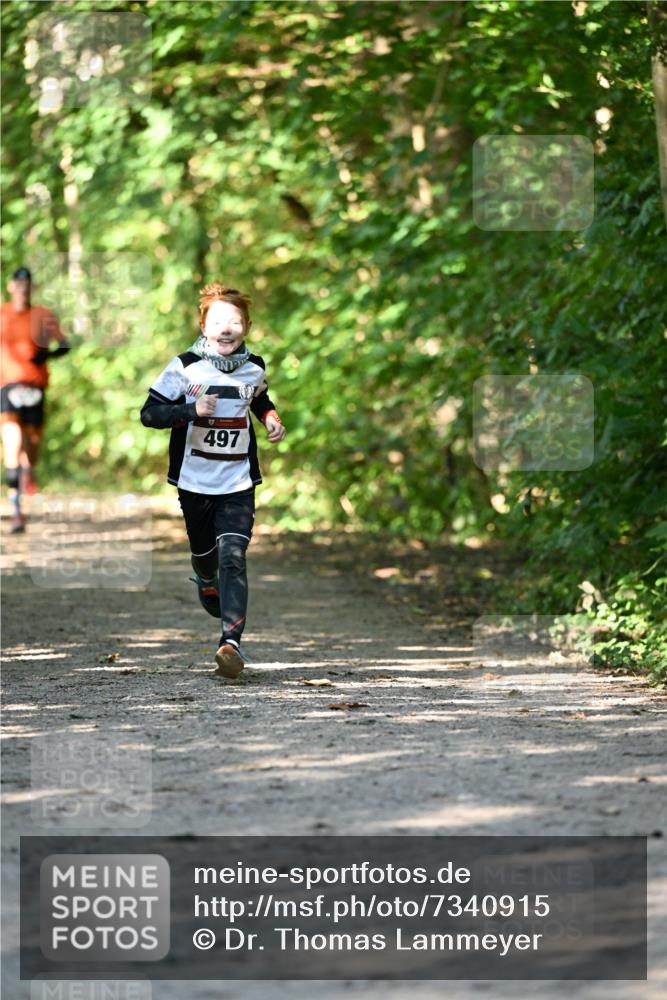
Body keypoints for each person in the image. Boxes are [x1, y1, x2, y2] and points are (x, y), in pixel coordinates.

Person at [140, 282, 286, 679]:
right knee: (207, 555)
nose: (226, 329)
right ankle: (204, 576)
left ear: (247, 327)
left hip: (237, 480)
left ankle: (230, 645)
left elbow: (257, 397)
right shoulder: (184, 367)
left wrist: (270, 418)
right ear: (203, 325)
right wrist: (189, 410)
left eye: (235, 322)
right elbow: (149, 414)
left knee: (234, 556)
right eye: (217, 321)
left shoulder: (255, 365)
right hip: (195, 481)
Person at [1, 266, 71, 533]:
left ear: (32, 288)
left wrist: (46, 356)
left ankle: (28, 471)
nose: (22, 289)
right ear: (11, 287)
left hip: (35, 387)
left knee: (30, 447)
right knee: (12, 443)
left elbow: (65, 345)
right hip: (7, 388)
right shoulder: (2, 315)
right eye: (18, 285)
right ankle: (16, 511)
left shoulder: (43, 315)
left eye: (27, 285)